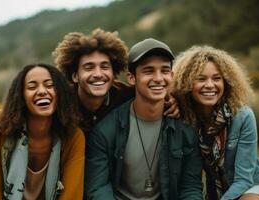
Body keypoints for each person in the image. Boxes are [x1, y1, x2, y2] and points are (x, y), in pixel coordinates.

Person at [0, 28, 179, 136]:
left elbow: (151, 92)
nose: (98, 74)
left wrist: (172, 101)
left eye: (104, 67)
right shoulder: (61, 98)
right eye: (88, 67)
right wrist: (3, 114)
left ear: (113, 73)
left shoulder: (124, 95)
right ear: (75, 75)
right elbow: (35, 104)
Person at [84, 38, 202, 200]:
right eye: (149, 71)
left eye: (165, 70)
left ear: (172, 75)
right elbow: (98, 188)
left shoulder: (185, 129)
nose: (159, 78)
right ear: (132, 78)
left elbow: (191, 188)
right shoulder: (104, 131)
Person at [172, 45, 259, 200]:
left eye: (216, 78)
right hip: (217, 193)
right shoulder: (187, 120)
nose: (210, 85)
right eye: (201, 78)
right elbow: (191, 182)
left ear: (226, 82)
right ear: (187, 84)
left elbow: (244, 179)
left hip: (253, 186)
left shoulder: (242, 116)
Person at [0, 64, 85, 200]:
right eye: (32, 87)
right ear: (21, 97)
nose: (42, 91)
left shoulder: (73, 137)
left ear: (59, 93)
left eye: (49, 85)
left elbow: (72, 197)